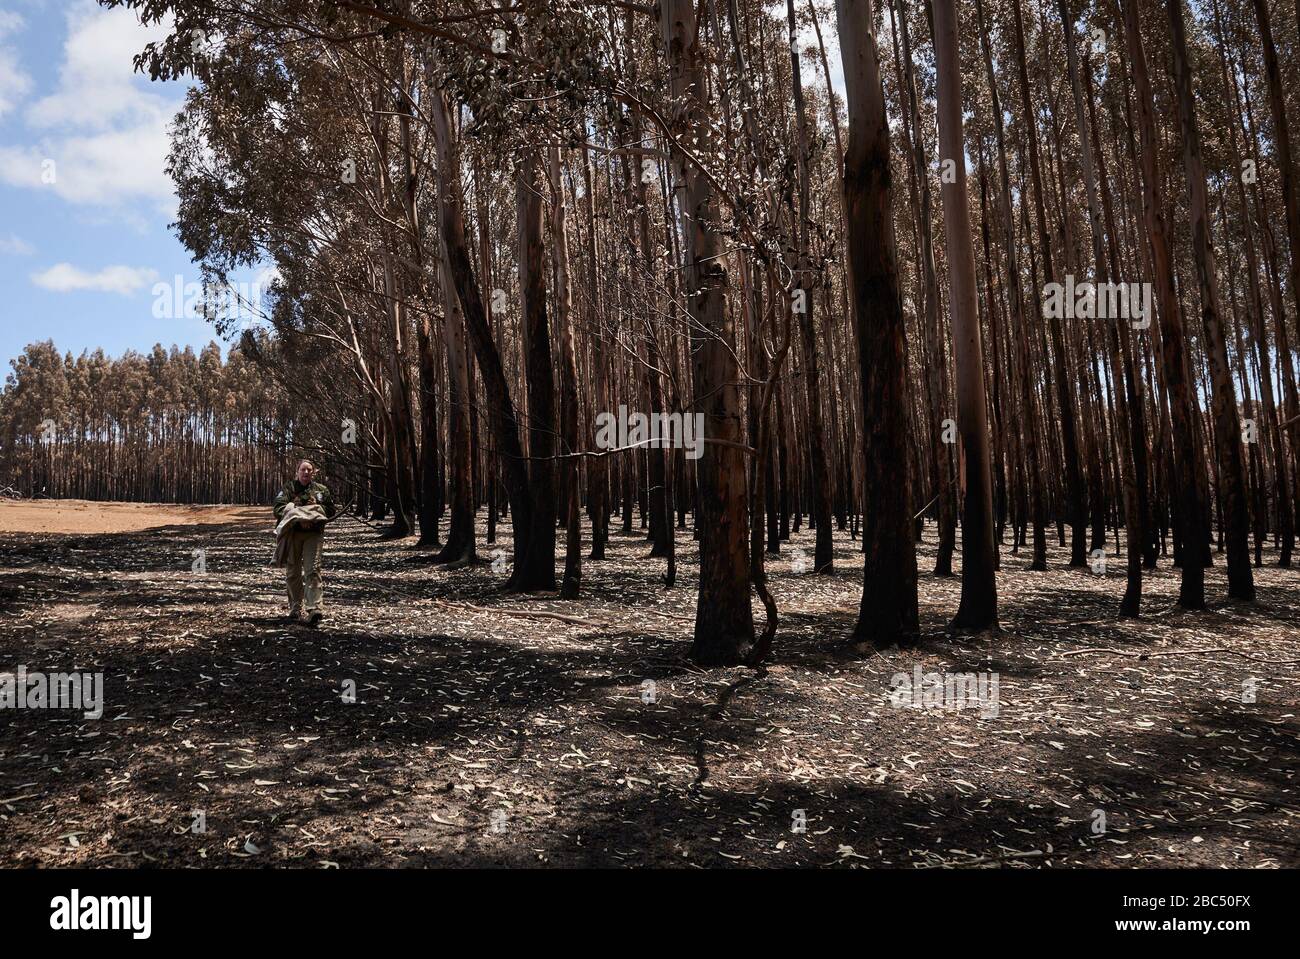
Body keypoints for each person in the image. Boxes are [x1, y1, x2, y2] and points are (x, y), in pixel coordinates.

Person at [272, 459, 337, 625]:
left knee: (313, 570)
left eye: (309, 470)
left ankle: (314, 608)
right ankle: (295, 606)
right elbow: (278, 508)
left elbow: (330, 510)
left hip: (313, 534)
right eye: (303, 470)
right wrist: (298, 516)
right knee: (293, 571)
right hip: (293, 534)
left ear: (313, 472)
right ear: (297, 471)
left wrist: (315, 512)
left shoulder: (321, 490)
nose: (306, 472)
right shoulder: (289, 488)